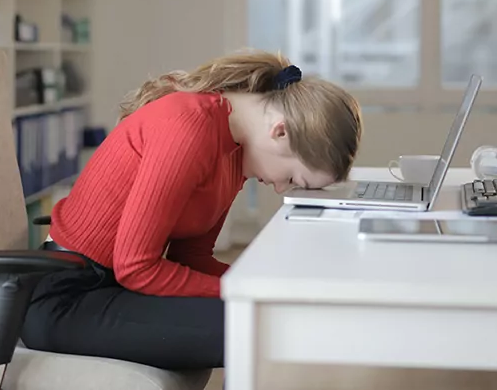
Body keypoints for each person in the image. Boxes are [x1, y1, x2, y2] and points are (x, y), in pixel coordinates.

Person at [20, 49, 362, 371]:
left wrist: (264, 285)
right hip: (67, 299)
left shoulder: (235, 153)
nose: (283, 188)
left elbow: (192, 258)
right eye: (292, 177)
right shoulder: (190, 126)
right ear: (281, 131)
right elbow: (136, 267)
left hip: (113, 289)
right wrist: (246, 289)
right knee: (257, 327)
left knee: (266, 316)